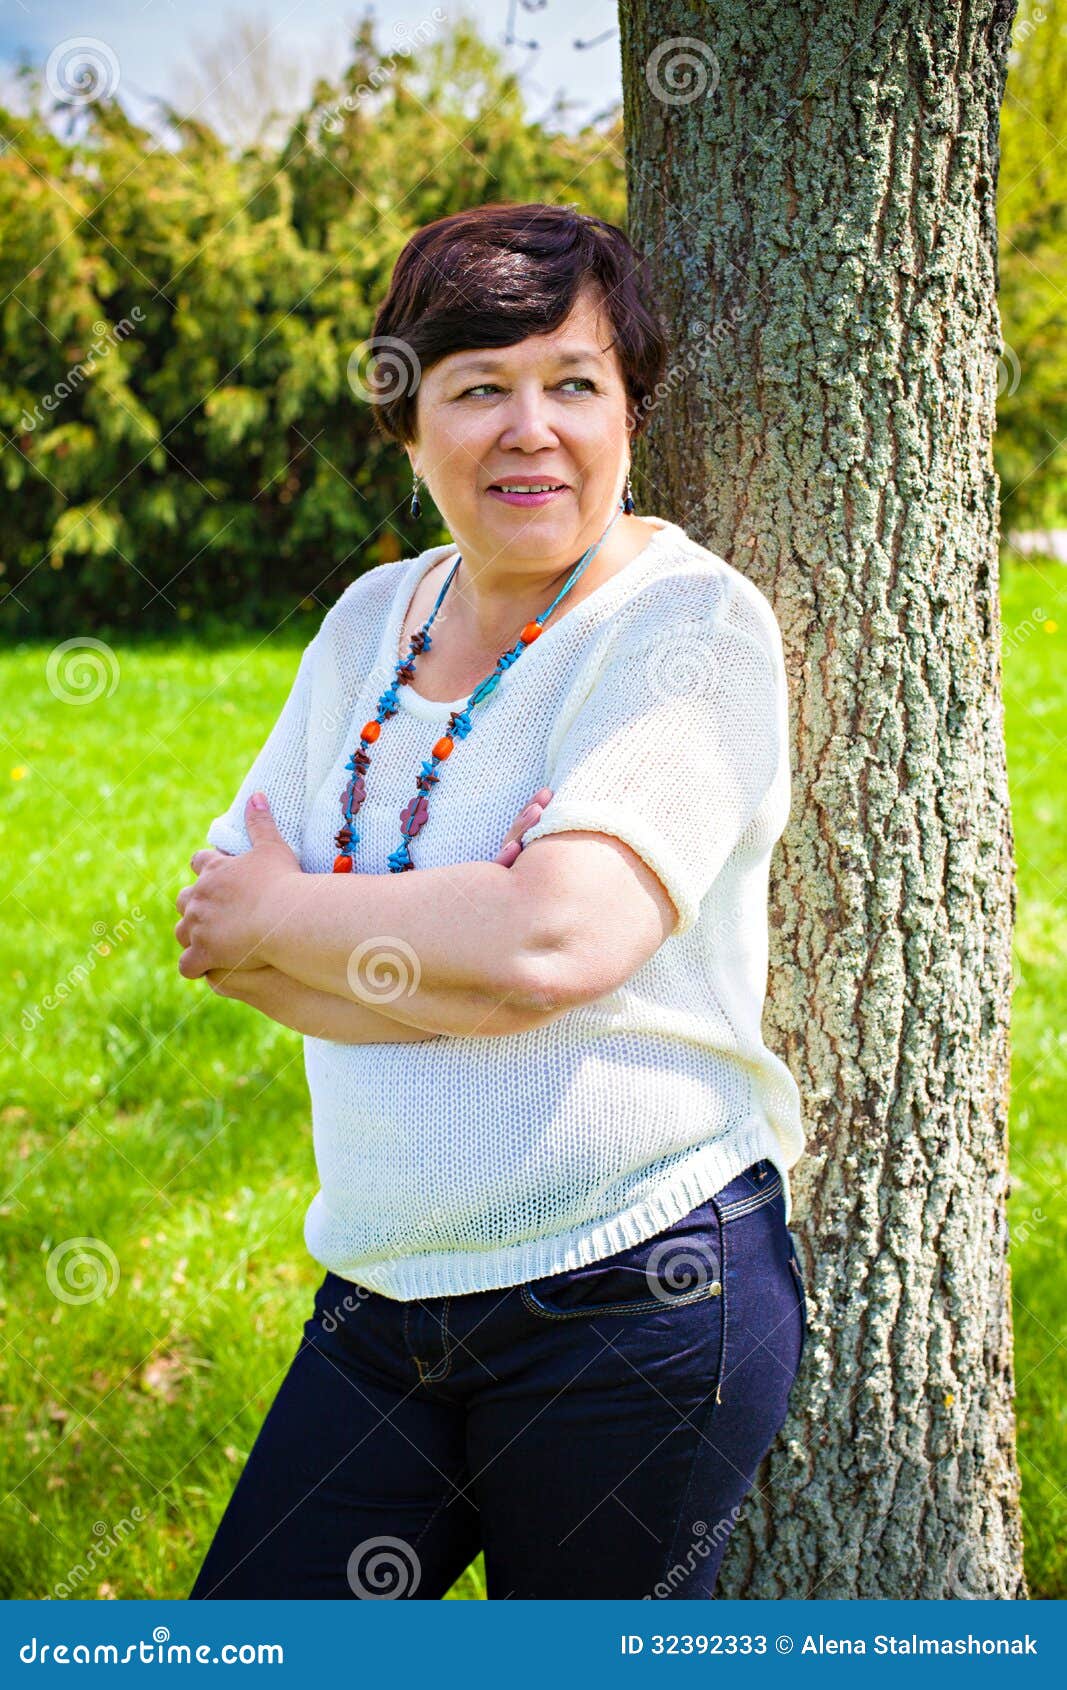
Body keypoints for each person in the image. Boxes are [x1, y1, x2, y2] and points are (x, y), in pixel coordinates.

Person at [177, 201, 808, 1601]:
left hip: (634, 1293)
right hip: (382, 1300)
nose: (532, 428)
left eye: (574, 383)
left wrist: (315, 919)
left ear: (628, 413)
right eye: (478, 388)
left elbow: (558, 933)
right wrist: (460, 952)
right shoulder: (369, 622)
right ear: (412, 428)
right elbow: (219, 929)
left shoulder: (686, 627)